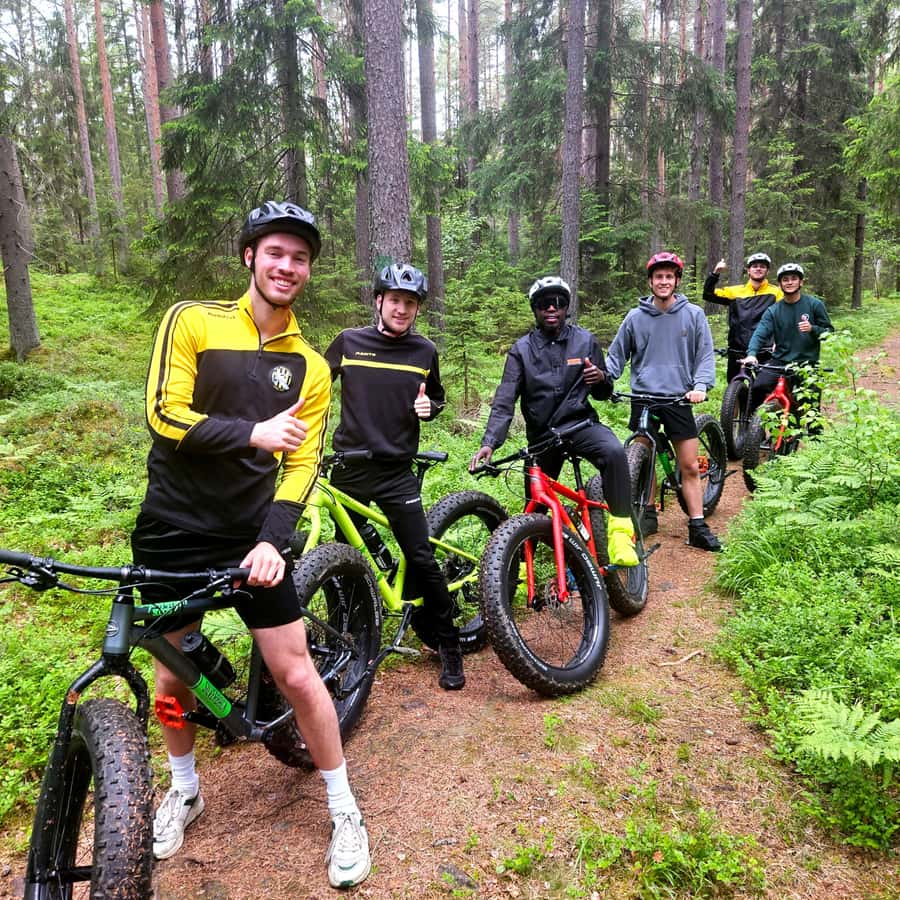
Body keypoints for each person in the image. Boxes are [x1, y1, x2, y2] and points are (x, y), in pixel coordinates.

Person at [132, 201, 370, 889]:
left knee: (296, 674)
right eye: (275, 253)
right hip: (172, 527)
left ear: (307, 271)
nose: (287, 266)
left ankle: (344, 807)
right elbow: (162, 413)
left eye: (299, 258)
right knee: (172, 673)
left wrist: (275, 540)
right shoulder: (193, 320)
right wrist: (251, 433)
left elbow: (302, 465)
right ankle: (184, 787)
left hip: (250, 535)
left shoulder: (309, 365)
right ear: (249, 257)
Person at [324, 263, 467, 691]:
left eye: (411, 303)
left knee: (420, 557)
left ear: (417, 308)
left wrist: (431, 409)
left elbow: (436, 398)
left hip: (395, 471)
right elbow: (313, 389)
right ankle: (347, 635)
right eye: (395, 300)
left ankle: (448, 642)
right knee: (342, 558)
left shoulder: (424, 351)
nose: (402, 309)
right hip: (349, 468)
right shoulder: (348, 342)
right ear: (379, 301)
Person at [468, 276, 639, 568]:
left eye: (558, 303)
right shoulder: (521, 350)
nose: (551, 308)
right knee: (534, 504)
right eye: (544, 303)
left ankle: (622, 535)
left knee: (613, 452)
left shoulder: (584, 341)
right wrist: (489, 443)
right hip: (542, 437)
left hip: (580, 426)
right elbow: (505, 398)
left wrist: (601, 379)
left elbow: (602, 392)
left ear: (566, 308)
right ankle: (521, 565)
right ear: (535, 309)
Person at [605, 252, 721, 551]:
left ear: (677, 281)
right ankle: (648, 511)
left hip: (679, 398)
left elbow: (705, 355)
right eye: (659, 277)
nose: (664, 281)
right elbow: (616, 356)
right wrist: (605, 380)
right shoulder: (635, 317)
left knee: (690, 466)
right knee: (643, 459)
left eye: (669, 276)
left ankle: (697, 524)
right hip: (643, 397)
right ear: (650, 281)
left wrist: (700, 385)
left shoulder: (693, 314)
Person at [742, 262, 833, 429]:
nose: (789, 282)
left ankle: (816, 444)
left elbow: (829, 332)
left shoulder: (814, 305)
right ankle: (751, 430)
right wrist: (752, 353)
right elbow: (760, 333)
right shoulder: (774, 310)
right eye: (785, 279)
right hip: (780, 361)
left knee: (811, 406)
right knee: (758, 386)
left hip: (807, 364)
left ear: (801, 282)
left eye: (793, 279)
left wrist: (813, 329)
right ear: (780, 284)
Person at [702, 252, 783, 382]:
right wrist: (715, 273)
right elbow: (708, 294)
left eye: (762, 266)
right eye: (754, 266)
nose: (758, 268)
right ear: (748, 270)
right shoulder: (735, 291)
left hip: (764, 350)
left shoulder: (776, 293)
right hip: (737, 349)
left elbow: (783, 319)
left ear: (767, 271)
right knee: (734, 392)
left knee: (764, 388)